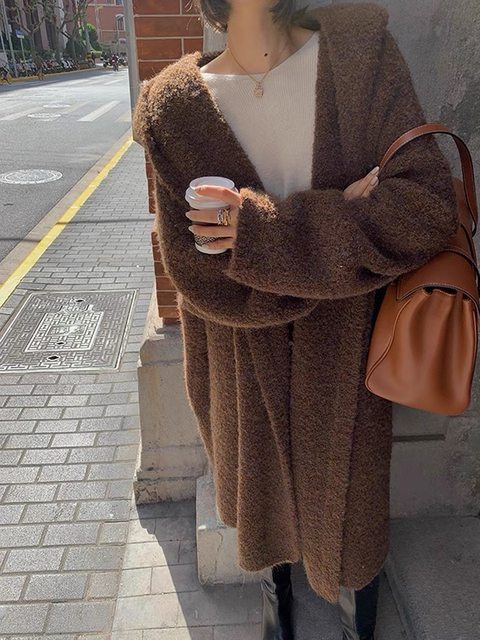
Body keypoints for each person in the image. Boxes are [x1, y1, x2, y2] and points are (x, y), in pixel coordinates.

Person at [132, 2, 458, 639]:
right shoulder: (177, 108)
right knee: (264, 515)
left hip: (346, 365)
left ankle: (355, 617)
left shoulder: (359, 57)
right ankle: (276, 601)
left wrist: (263, 236)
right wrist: (340, 227)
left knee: (351, 523)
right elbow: (198, 278)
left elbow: (422, 208)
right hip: (239, 365)